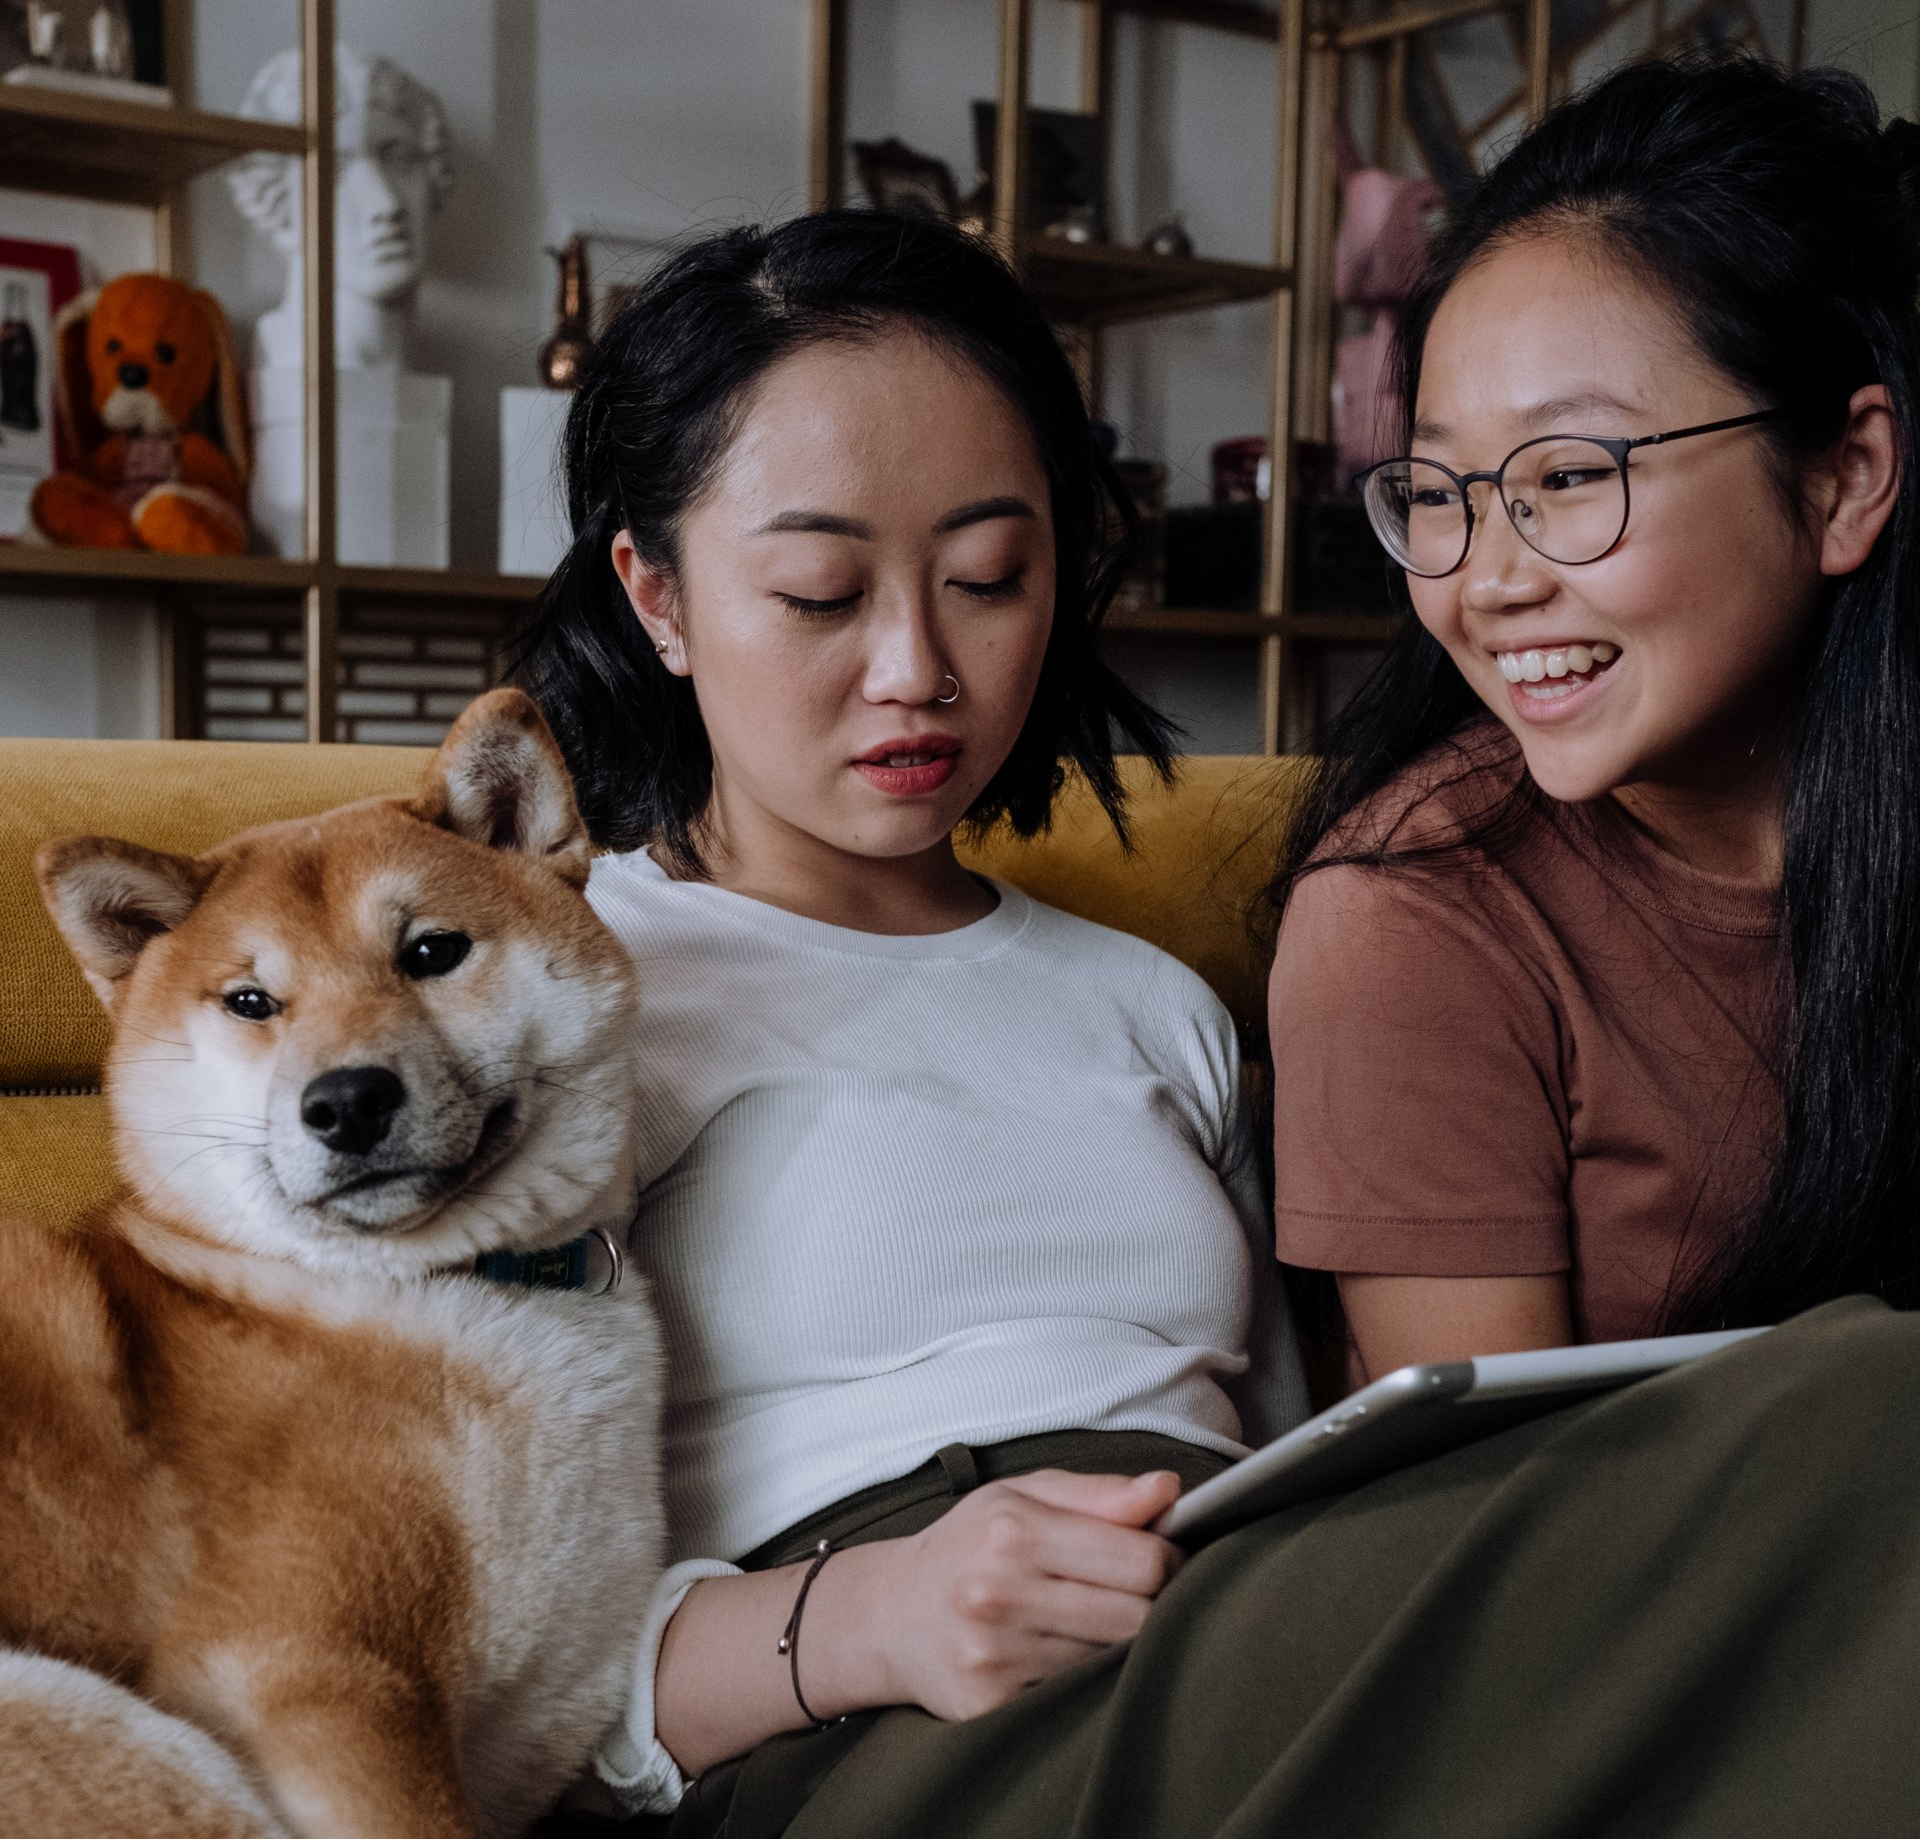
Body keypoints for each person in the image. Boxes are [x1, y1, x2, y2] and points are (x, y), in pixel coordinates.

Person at [515, 135, 1920, 1839]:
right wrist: (860, 1620)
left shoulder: (1148, 1003)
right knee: (1864, 1401)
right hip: (863, 1714)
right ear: (655, 595)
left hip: (1221, 1618)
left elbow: (1337, 1456)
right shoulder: (554, 998)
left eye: (988, 578)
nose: (917, 669)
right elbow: (440, 1654)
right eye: (819, 591)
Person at [1268, 51, 1920, 1382]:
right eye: (1441, 493)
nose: (1490, 579)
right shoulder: (1414, 912)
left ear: (1847, 477)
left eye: (1568, 474)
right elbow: (1500, 1534)